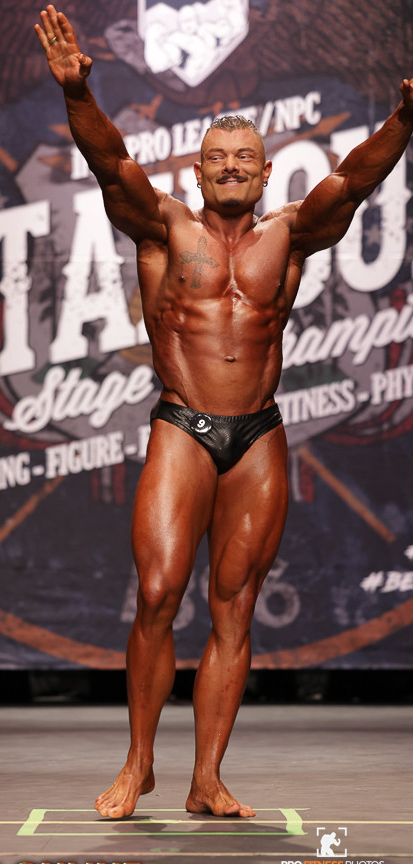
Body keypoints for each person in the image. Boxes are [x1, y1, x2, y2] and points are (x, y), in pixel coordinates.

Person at [35, 4, 413, 819]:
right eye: (217, 159)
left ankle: (206, 779)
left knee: (234, 608)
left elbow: (354, 180)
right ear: (198, 170)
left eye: (245, 158)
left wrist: (404, 121)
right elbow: (111, 163)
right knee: (158, 591)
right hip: (184, 426)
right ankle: (139, 764)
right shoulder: (163, 229)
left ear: (267, 171)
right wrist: (76, 94)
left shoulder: (290, 236)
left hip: (259, 435)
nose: (231, 168)